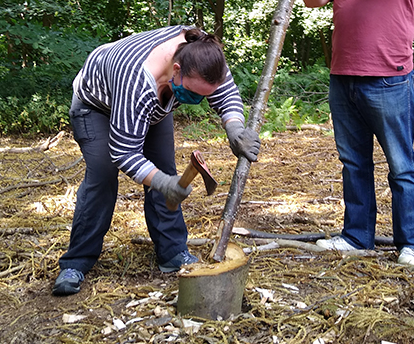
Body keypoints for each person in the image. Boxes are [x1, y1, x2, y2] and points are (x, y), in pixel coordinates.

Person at [52, 26, 261, 295]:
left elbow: (226, 93)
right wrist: (163, 183)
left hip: (152, 106)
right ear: (176, 69)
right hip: (96, 105)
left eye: (202, 95)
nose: (197, 101)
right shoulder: (137, 78)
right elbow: (123, 152)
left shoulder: (204, 55)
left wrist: (234, 129)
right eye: (193, 93)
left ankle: (172, 253)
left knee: (163, 166)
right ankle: (76, 262)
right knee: (103, 175)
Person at [293, 0, 414, 268]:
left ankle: (413, 244)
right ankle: (357, 236)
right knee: (353, 162)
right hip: (343, 75)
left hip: (388, 77)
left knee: (401, 164)